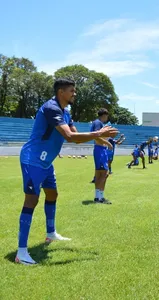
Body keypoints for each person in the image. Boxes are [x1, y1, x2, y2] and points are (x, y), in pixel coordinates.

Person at [16, 78, 118, 265]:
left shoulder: (66, 112)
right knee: (31, 200)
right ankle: (21, 252)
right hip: (33, 160)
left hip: (46, 162)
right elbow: (69, 137)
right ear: (61, 92)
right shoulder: (51, 108)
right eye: (72, 90)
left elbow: (76, 135)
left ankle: (50, 233)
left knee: (52, 194)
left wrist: (102, 140)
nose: (74, 93)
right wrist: (99, 134)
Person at [91, 109, 114, 204]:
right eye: (106, 116)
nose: (107, 118)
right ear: (104, 115)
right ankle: (99, 198)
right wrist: (108, 143)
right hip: (100, 149)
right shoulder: (98, 123)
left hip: (99, 149)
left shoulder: (97, 123)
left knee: (99, 174)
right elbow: (96, 136)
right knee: (104, 174)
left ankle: (98, 197)